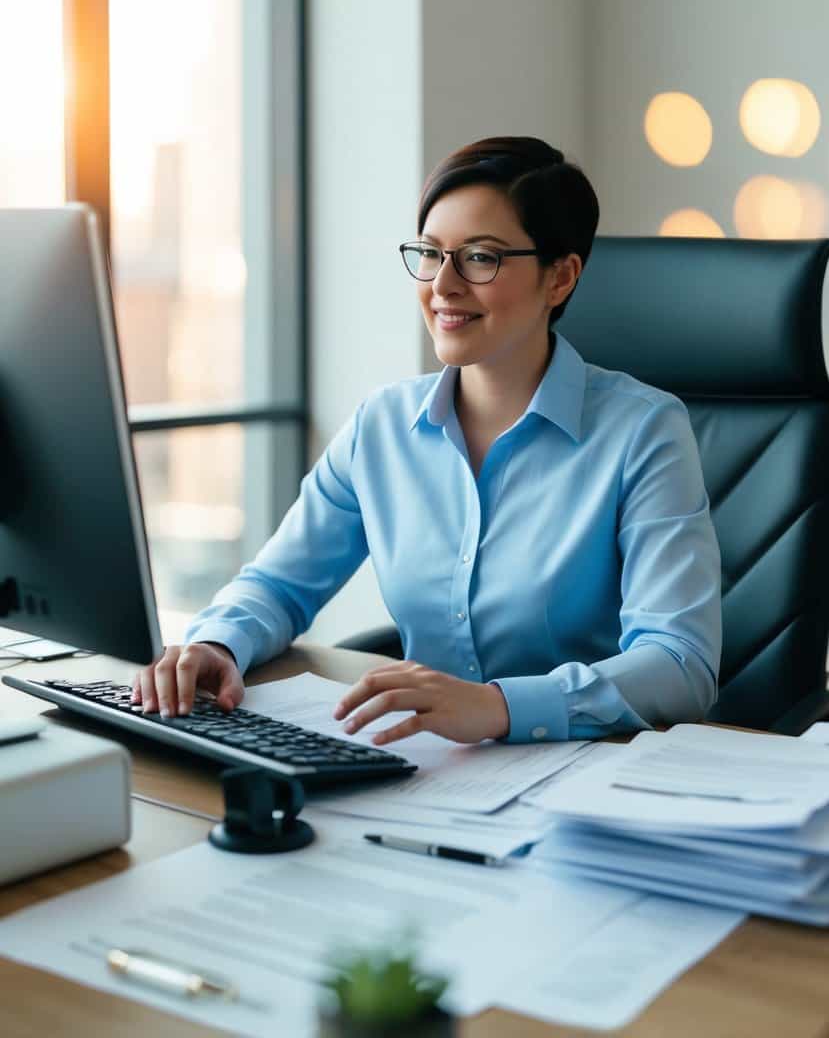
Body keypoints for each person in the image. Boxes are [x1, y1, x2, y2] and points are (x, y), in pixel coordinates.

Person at [133, 136, 721, 746]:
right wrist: (216, 642)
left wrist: (500, 707)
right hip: (421, 768)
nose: (443, 285)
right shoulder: (381, 427)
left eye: (481, 258)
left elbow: (680, 662)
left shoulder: (644, 432)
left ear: (560, 277)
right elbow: (278, 585)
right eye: (431, 253)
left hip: (586, 771)